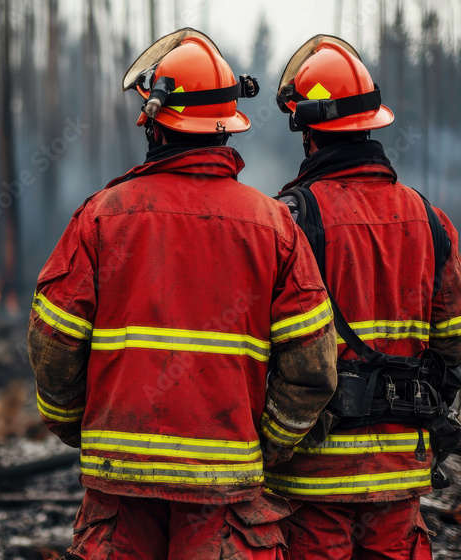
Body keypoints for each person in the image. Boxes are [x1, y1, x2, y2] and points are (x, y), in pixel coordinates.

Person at [28, 28, 338, 559]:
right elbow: (312, 368)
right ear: (227, 127)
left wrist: (83, 427)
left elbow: (52, 346)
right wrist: (264, 445)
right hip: (226, 500)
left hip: (120, 491)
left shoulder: (102, 218)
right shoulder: (274, 227)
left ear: (155, 123)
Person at [267, 35, 461, 560]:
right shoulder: (431, 220)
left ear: (308, 133)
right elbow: (453, 347)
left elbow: (264, 348)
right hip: (400, 469)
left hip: (312, 473)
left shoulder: (288, 221)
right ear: (371, 124)